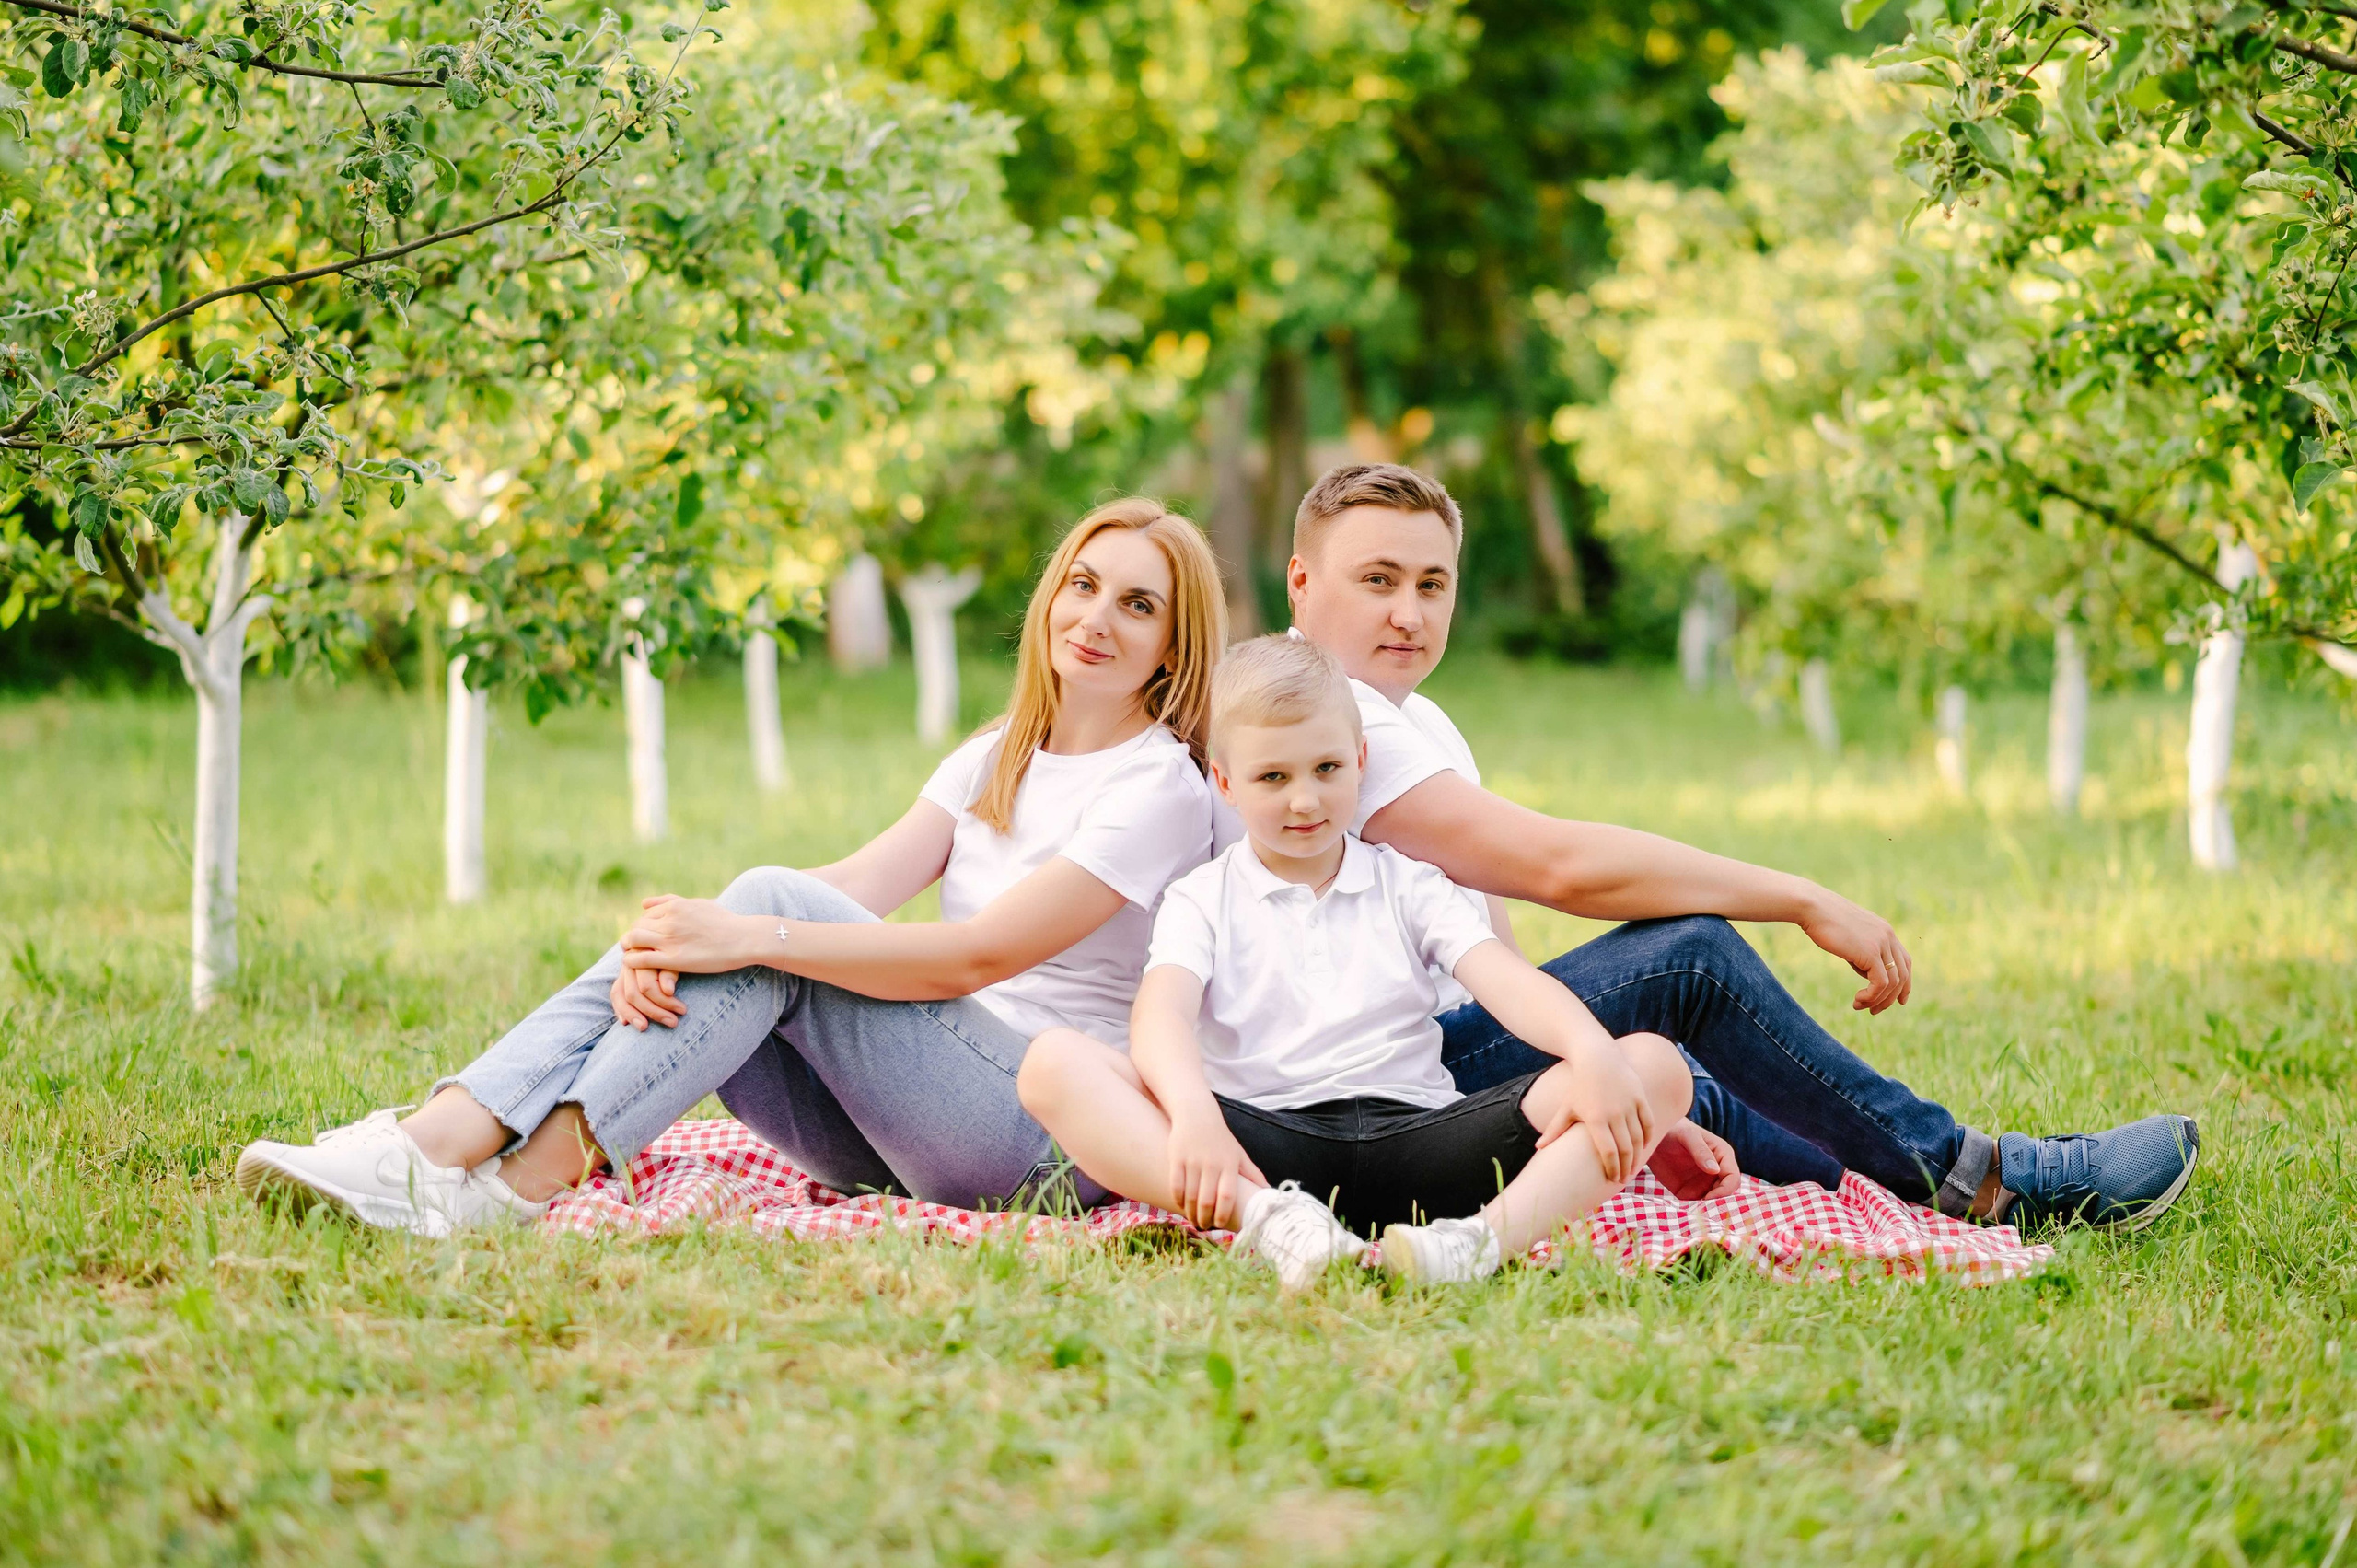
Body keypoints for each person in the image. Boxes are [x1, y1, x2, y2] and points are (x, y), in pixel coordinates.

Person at [236, 498, 1227, 1235]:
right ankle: (439, 1139)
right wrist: (675, 939)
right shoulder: (998, 748)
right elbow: (855, 886)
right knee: (742, 916)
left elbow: (972, 957)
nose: (1096, 618)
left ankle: (493, 1177)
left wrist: (746, 929)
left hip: (1041, 1142)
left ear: (1173, 645)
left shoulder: (1160, 787)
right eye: (1084, 585)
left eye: (1137, 604)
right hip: (899, 1132)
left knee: (761, 913)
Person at [1279, 463, 2199, 1233]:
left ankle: (1950, 1186)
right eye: (1378, 579)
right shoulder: (1314, 717)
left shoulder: (1414, 715)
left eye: (1431, 584)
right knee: (1691, 959)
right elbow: (1559, 866)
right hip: (1367, 1098)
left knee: (1710, 1084)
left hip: (1435, 1054)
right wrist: (1799, 894)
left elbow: (1495, 950)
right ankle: (1980, 1175)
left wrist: (1627, 1092)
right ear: (1301, 584)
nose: (1409, 611)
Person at [1020, 634, 1699, 1291]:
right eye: (1273, 777)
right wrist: (1195, 1115)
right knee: (1054, 1063)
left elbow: (1507, 982)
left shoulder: (1408, 881)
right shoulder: (1202, 897)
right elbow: (1160, 1015)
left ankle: (1472, 1247)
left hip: (1425, 1139)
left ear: (1361, 759)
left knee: (1654, 1067)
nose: (1305, 799)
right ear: (1226, 781)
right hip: (1265, 1150)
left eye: (1327, 769)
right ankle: (1273, 1226)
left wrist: (1590, 1050)